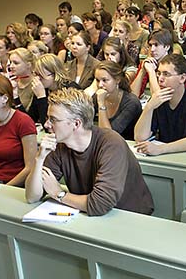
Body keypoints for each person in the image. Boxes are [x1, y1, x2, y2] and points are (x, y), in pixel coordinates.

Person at [25, 87, 154, 216]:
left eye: (53, 119)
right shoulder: (59, 145)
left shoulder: (111, 144)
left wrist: (59, 194)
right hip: (91, 215)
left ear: (76, 124)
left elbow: (100, 204)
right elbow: (32, 196)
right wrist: (39, 159)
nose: (46, 124)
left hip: (129, 217)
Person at [134, 54, 186, 155]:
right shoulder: (158, 100)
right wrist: (149, 107)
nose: (160, 79)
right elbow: (140, 137)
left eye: (166, 74)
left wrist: (161, 149)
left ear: (182, 78)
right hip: (165, 157)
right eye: (159, 73)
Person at [0, 75, 37, 186]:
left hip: (19, 185)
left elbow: (30, 167)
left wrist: (5, 188)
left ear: (5, 98)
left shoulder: (23, 121)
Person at [93, 61, 142, 140]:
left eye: (104, 80)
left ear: (117, 80)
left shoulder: (131, 102)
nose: (100, 85)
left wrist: (101, 104)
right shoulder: (97, 96)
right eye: (97, 80)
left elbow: (108, 136)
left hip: (127, 146)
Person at [28, 54, 80, 125]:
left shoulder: (70, 90)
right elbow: (31, 119)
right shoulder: (43, 88)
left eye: (41, 75)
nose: (37, 79)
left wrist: (41, 97)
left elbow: (50, 125)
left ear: (55, 74)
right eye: (35, 74)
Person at [8, 48, 35, 113]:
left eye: (16, 63)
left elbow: (30, 117)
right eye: (10, 62)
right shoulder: (11, 81)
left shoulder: (36, 85)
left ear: (28, 65)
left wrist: (16, 97)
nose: (11, 66)